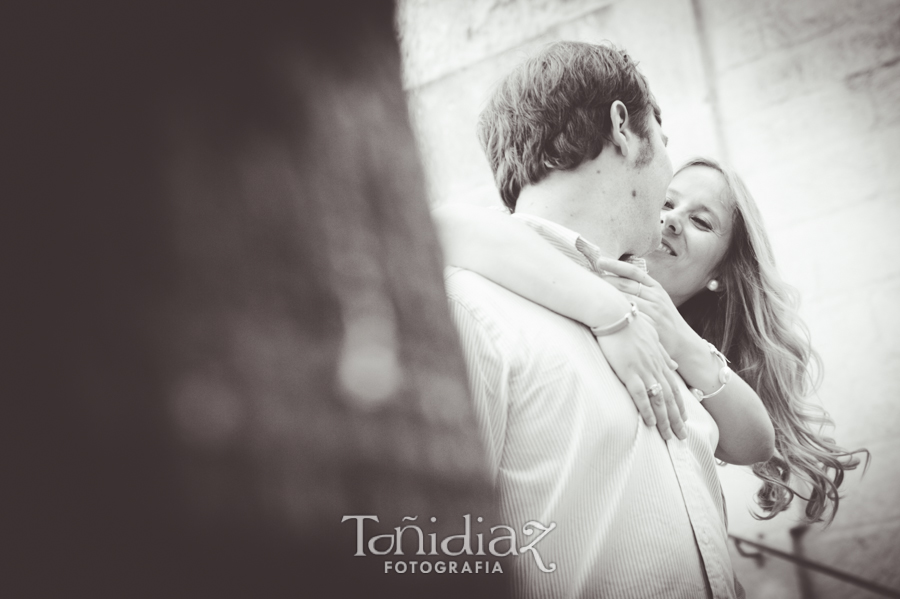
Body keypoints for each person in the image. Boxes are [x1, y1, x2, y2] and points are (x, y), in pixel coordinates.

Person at [444, 41, 752, 598]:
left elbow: (754, 439)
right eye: (664, 140)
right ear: (622, 127)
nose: (668, 194)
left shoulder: (654, 323)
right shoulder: (472, 314)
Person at [437, 156, 866, 524]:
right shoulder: (555, 272)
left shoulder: (686, 365)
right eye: (666, 202)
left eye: (701, 221)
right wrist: (611, 314)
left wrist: (677, 335)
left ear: (719, 275)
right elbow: (445, 225)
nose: (673, 220)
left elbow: (757, 441)